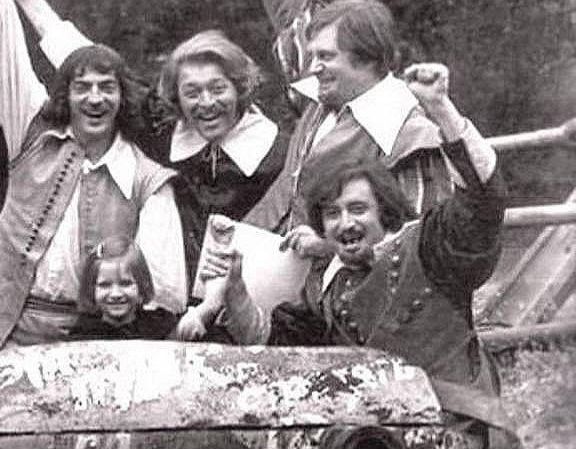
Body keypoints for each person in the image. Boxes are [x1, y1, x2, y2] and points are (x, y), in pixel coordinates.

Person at [207, 62, 519, 448]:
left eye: (357, 209)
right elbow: (280, 345)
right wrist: (236, 293)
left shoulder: (431, 249)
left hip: (456, 428)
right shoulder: (324, 287)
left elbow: (483, 200)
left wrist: (441, 109)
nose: (345, 223)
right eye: (332, 214)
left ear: (384, 211)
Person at [15, 2, 291, 341]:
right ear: (177, 97)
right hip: (162, 318)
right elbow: (86, 59)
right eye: (192, 92)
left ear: (240, 87)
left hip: (244, 314)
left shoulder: (277, 154)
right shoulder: (163, 131)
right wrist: (31, 6)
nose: (206, 103)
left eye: (218, 89)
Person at [0, 0, 187, 356]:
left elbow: (163, 295)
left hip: (97, 342)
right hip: (4, 331)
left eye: (107, 87)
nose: (95, 98)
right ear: (65, 94)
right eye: (82, 87)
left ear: (123, 97)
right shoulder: (32, 136)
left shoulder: (149, 181)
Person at [245, 0, 456, 238]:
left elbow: (419, 238)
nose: (313, 68)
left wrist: (328, 247)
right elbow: (285, 196)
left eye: (325, 56)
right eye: (313, 56)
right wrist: (236, 236)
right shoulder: (318, 106)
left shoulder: (409, 134)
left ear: (367, 58)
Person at [70, 235, 179, 340]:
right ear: (91, 289)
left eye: (125, 284)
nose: (116, 294)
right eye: (105, 285)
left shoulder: (160, 326)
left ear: (142, 285)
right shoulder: (84, 332)